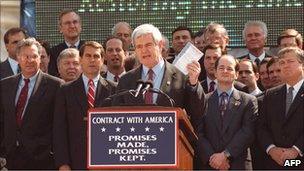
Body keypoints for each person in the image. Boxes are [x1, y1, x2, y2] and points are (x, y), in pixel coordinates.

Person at [110, 23, 203, 130]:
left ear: (160, 45)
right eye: (139, 46)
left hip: (170, 141)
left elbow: (198, 113)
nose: (144, 50)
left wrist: (194, 83)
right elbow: (116, 117)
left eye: (148, 45)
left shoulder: (181, 77)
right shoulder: (126, 80)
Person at [0, 38, 63, 169]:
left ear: (40, 58)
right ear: (18, 58)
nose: (29, 60)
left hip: (43, 160)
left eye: (34, 56)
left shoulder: (56, 85)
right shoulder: (5, 85)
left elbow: (59, 125)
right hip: (11, 159)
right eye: (25, 56)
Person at [53, 41, 116, 170]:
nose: (92, 60)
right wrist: (63, 163)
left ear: (103, 60)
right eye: (88, 56)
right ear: (80, 59)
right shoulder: (65, 90)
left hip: (106, 161)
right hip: (75, 161)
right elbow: (59, 130)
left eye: (96, 56)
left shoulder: (114, 89)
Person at [197, 55, 258, 170]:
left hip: (238, 163)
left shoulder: (248, 101)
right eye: (221, 68)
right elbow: (199, 133)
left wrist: (225, 155)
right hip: (210, 164)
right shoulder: (203, 100)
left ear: (236, 74)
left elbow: (247, 132)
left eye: (230, 68)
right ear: (215, 72)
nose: (225, 71)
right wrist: (213, 158)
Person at [257, 47, 304, 169]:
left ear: (302, 64)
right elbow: (261, 127)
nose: (285, 65)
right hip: (274, 162)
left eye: (290, 61)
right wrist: (271, 149)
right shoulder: (271, 95)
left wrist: (295, 150)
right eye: (282, 62)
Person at [49, 9, 85, 77]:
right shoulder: (53, 53)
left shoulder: (89, 50)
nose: (72, 26)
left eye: (75, 22)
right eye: (67, 23)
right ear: (60, 28)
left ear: (80, 26)